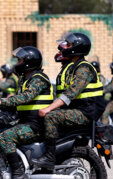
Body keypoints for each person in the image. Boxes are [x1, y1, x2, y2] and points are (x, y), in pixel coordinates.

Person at [34, 32, 105, 170]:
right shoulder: (74, 67)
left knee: (51, 117)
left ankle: (49, 157)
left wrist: (49, 109)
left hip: (87, 112)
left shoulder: (84, 68)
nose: (65, 46)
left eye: (69, 44)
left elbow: (71, 93)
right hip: (80, 109)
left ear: (77, 48)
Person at [0, 46, 54, 179]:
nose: (17, 63)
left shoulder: (38, 79)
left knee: (6, 137)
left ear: (29, 62)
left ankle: (18, 174)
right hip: (27, 121)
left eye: (19, 60)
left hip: (36, 125)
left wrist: (2, 102)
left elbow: (26, 97)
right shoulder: (26, 78)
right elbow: (16, 99)